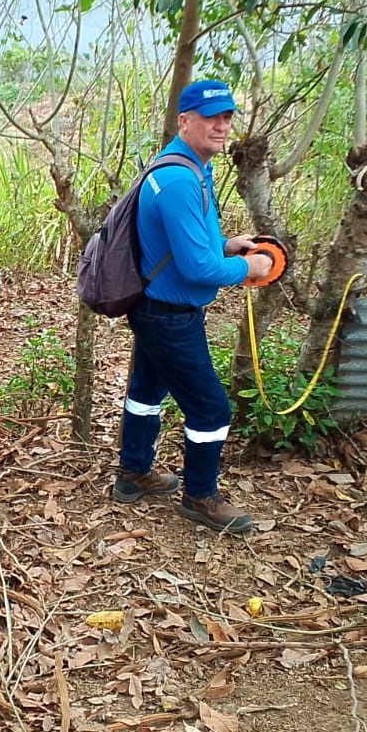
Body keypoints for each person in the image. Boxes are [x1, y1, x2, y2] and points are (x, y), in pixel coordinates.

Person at [111, 78, 272, 533]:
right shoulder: (180, 179)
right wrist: (249, 267)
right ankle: (200, 496)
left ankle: (133, 473)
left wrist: (225, 245)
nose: (221, 126)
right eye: (210, 117)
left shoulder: (182, 165)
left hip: (154, 307)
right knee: (211, 409)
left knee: (146, 391)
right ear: (185, 121)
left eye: (226, 117)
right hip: (168, 317)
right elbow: (197, 268)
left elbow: (183, 244)